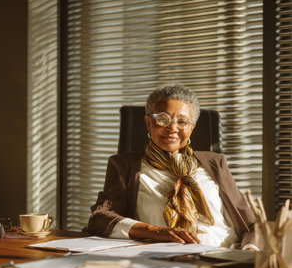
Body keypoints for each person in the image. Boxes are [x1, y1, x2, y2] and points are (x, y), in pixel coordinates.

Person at [87, 83, 259, 250]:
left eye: (182, 122)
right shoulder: (126, 165)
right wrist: (156, 232)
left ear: (192, 128)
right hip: (163, 259)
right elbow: (100, 219)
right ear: (148, 123)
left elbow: (251, 225)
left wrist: (250, 254)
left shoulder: (215, 163)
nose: (173, 128)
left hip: (225, 255)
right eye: (163, 119)